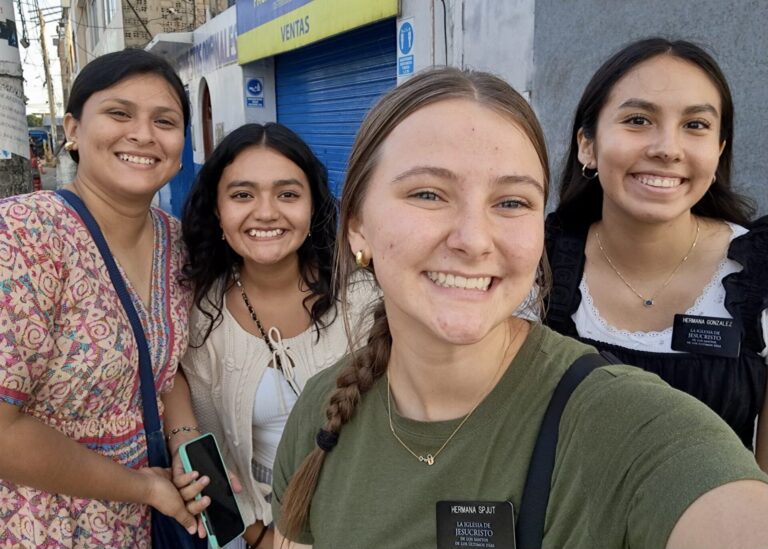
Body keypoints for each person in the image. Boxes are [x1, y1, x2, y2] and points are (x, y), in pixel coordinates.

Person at [269, 67, 768, 549]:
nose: (473, 240)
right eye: (429, 194)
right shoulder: (320, 411)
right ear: (357, 226)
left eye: (512, 202)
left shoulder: (622, 424)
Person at [0, 49, 200, 548]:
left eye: (165, 121)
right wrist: (140, 487)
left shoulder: (176, 241)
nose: (143, 134)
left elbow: (164, 362)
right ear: (72, 129)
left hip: (150, 522)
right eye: (119, 113)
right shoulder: (24, 234)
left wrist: (187, 447)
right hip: (40, 523)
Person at [544, 38, 768, 469]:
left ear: (719, 150)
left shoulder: (757, 273)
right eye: (638, 120)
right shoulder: (537, 268)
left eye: (695, 125)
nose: (667, 148)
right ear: (587, 145)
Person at [177, 123, 377, 548]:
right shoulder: (203, 315)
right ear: (217, 210)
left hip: (363, 521)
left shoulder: (363, 300)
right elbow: (210, 453)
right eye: (242, 195)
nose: (266, 212)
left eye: (287, 194)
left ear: (313, 206)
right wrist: (258, 536)